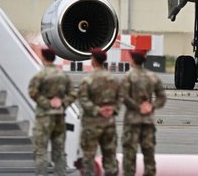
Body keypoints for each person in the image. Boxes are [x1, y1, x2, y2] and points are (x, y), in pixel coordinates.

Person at [28, 47, 76, 176]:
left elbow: (32, 92)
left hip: (44, 117)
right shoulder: (63, 75)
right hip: (59, 117)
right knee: (59, 151)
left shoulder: (40, 75)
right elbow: (73, 93)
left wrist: (47, 103)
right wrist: (62, 103)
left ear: (43, 58)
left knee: (41, 151)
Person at [119, 49, 167, 176]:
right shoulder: (152, 76)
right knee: (149, 154)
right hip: (148, 120)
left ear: (133, 60)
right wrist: (151, 106)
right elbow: (162, 97)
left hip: (132, 120)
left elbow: (122, 96)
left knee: (129, 155)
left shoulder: (128, 76)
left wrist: (136, 106)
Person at [77, 48, 120, 176]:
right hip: (109, 122)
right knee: (110, 156)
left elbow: (83, 99)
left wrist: (97, 110)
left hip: (92, 124)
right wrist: (112, 110)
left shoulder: (87, 80)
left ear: (93, 60)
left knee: (88, 156)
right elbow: (120, 98)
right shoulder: (113, 79)